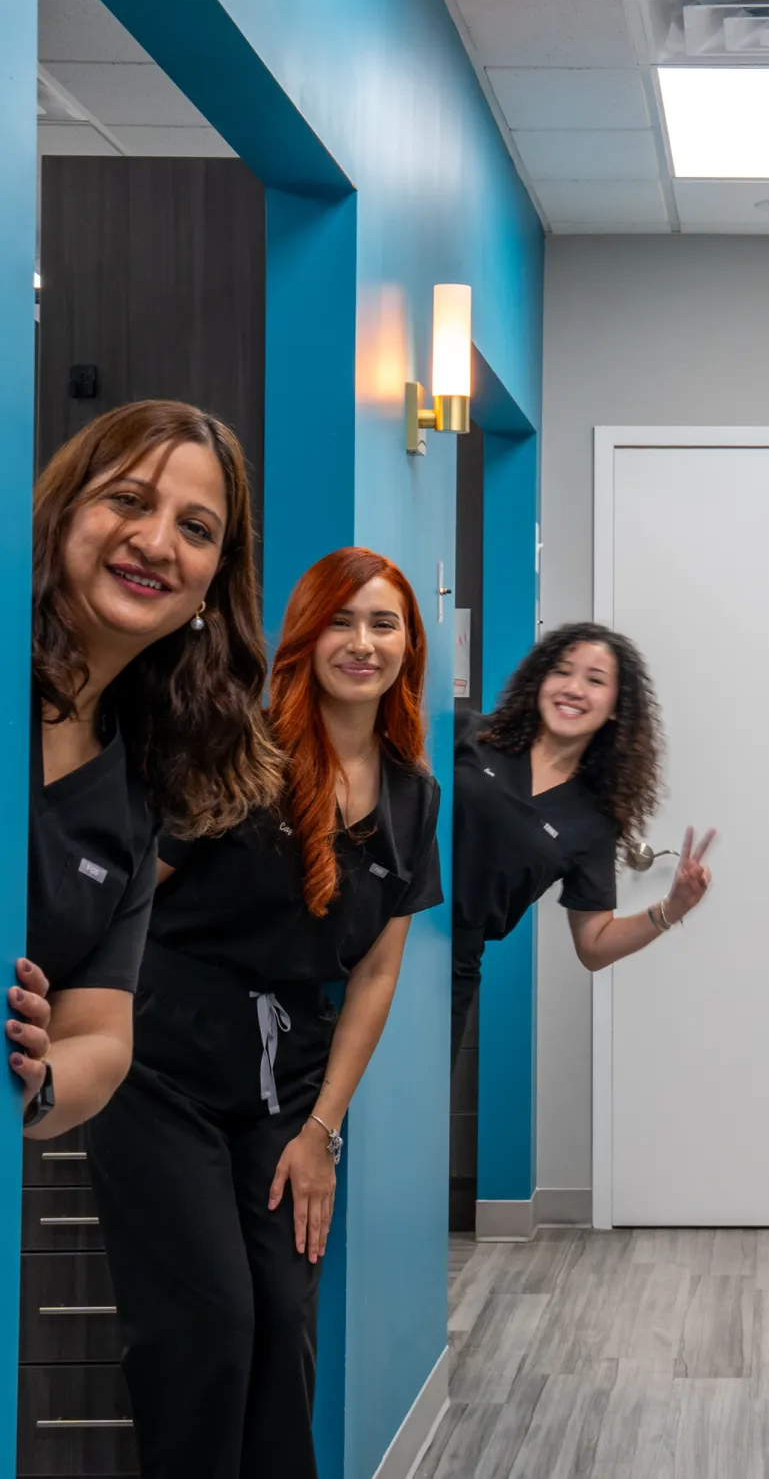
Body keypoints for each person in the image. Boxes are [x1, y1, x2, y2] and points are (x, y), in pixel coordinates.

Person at [88, 548, 441, 1479]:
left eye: (383, 624)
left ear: (409, 646)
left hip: (287, 1086)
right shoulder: (244, 752)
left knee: (283, 1318)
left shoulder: (414, 796)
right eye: (341, 620)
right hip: (161, 1067)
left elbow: (373, 976)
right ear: (305, 634)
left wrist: (322, 1128)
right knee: (209, 1320)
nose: (361, 643)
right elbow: (128, 893)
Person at [21, 400, 281, 1137]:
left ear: (210, 586)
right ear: (64, 512)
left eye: (197, 530)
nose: (157, 541)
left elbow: (101, 1037)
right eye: (127, 501)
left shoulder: (138, 786)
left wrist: (35, 1081)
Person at [451, 620, 715, 1067]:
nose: (573, 688)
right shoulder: (468, 734)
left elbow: (594, 944)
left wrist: (672, 909)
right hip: (371, 930)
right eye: (562, 671)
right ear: (540, 680)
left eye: (594, 680)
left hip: (450, 964)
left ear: (615, 708)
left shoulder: (593, 820)